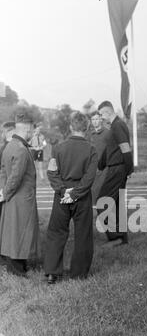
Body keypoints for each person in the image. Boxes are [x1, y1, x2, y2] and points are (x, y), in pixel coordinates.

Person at [44, 112, 97, 284]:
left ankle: (52, 272)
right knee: (83, 234)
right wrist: (74, 194)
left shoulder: (58, 148)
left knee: (56, 232)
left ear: (71, 127)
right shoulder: (91, 150)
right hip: (81, 195)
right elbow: (89, 177)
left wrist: (62, 191)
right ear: (87, 128)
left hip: (62, 195)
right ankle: (79, 274)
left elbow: (52, 172)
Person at [0, 110, 39, 276]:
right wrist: (5, 192)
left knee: (12, 232)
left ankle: (17, 267)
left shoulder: (10, 145)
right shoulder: (21, 149)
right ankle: (16, 270)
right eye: (31, 130)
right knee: (20, 233)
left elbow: (3, 172)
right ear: (27, 129)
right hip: (21, 198)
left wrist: (3, 191)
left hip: (13, 197)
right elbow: (15, 177)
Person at [97, 101, 134, 246]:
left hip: (118, 169)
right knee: (117, 205)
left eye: (101, 114)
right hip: (115, 167)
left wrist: (129, 169)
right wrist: (100, 164)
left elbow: (125, 148)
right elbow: (111, 149)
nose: (100, 118)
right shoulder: (114, 126)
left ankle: (115, 237)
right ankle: (122, 240)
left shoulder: (118, 125)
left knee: (102, 202)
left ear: (107, 112)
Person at [88, 110, 110, 205]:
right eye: (93, 119)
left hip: (105, 167)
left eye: (97, 119)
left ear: (101, 119)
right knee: (92, 191)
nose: (95, 121)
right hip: (92, 167)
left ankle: (106, 214)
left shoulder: (107, 133)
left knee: (103, 190)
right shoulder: (89, 134)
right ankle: (93, 215)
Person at [0, 121, 15, 220]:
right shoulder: (16, 147)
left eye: (2, 132)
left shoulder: (5, 147)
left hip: (6, 185)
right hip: (7, 185)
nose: (1, 134)